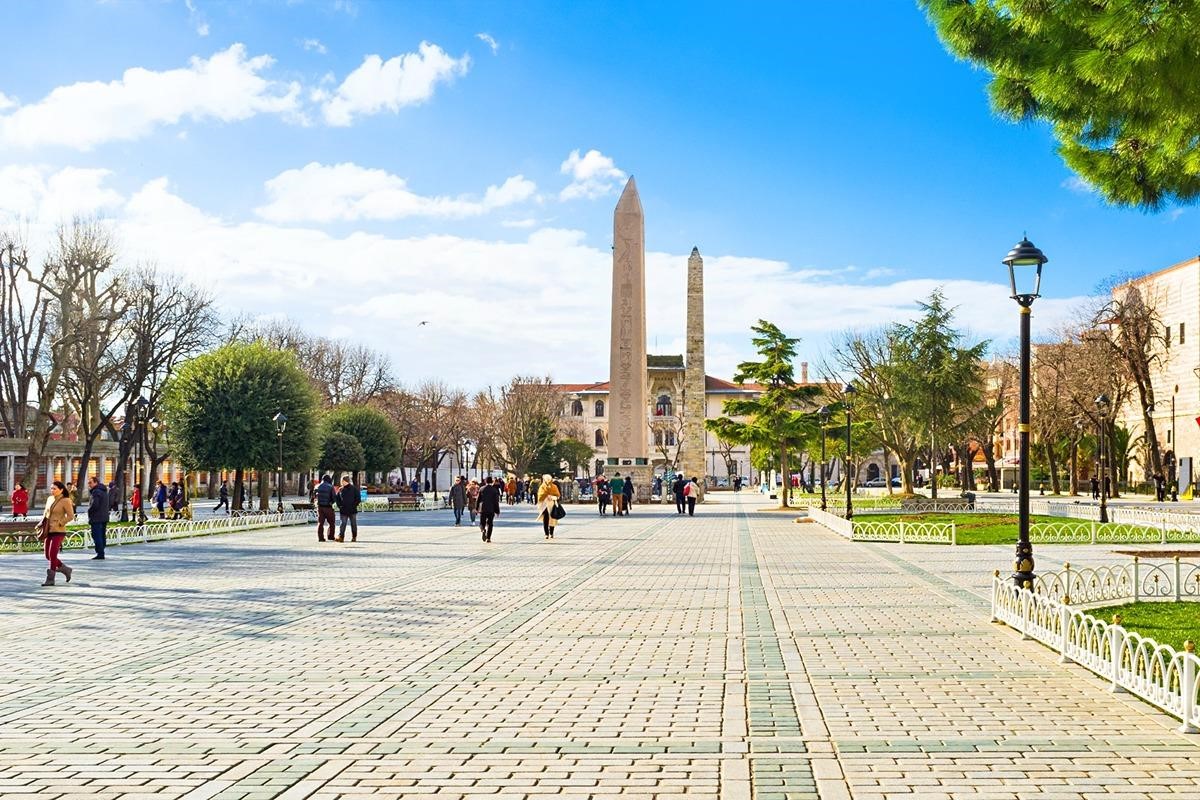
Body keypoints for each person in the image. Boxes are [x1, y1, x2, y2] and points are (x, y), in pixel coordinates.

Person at [40, 480, 74, 586]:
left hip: (59, 531)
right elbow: (46, 513)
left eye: (54, 489)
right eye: (51, 488)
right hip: (48, 530)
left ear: (61, 490)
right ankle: (65, 569)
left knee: (53, 554)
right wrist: (42, 523)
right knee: (47, 555)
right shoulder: (49, 499)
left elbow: (70, 516)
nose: (52, 490)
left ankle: (50, 579)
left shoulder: (66, 500)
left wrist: (60, 523)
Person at [87, 476, 110, 560]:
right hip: (104, 516)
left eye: (90, 482)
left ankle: (100, 553)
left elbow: (95, 505)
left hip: (96, 517)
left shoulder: (96, 492)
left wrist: (89, 511)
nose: (89, 485)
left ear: (96, 482)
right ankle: (101, 550)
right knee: (102, 535)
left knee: (96, 535)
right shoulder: (104, 491)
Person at [536, 474, 560, 539]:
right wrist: (545, 496)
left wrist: (552, 497)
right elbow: (539, 496)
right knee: (545, 519)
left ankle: (551, 533)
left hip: (552, 504)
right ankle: (546, 533)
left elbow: (558, 496)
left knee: (552, 519)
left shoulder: (554, 487)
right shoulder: (542, 487)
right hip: (544, 505)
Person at [336, 476, 360, 542]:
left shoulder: (354, 489)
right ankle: (341, 537)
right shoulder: (340, 489)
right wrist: (340, 506)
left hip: (352, 510)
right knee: (342, 524)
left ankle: (354, 537)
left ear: (344, 481)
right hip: (343, 510)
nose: (341, 482)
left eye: (342, 481)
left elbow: (358, 499)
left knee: (353, 524)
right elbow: (337, 499)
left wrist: (354, 505)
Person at [477, 475, 501, 543]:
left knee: (482, 522)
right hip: (491, 509)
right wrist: (497, 511)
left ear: (485, 481)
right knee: (490, 524)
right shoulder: (494, 490)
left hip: (483, 509)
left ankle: (483, 530)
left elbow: (478, 500)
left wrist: (476, 508)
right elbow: (496, 501)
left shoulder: (481, 489)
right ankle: (488, 538)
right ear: (492, 481)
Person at [314, 475, 337, 542]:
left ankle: (320, 537)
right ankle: (330, 536)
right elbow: (334, 497)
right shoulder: (330, 487)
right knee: (331, 523)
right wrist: (331, 503)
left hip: (320, 507)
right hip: (328, 507)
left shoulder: (317, 486)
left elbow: (314, 496)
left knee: (320, 523)